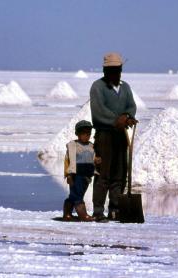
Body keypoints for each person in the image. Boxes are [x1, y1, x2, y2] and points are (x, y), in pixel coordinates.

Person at [90, 52, 138, 221]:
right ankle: (98, 211)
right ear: (104, 70)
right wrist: (116, 120)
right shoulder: (98, 87)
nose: (115, 73)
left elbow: (131, 106)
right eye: (111, 70)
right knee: (103, 173)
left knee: (119, 173)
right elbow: (98, 111)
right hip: (105, 135)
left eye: (117, 70)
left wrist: (128, 116)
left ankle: (115, 208)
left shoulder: (125, 87)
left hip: (121, 135)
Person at [63, 120, 100, 221]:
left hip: (86, 176)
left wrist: (96, 160)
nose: (86, 136)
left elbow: (93, 157)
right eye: (83, 133)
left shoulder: (91, 146)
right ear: (77, 134)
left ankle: (67, 214)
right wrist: (69, 175)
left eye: (88, 134)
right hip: (76, 175)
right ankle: (83, 214)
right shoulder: (73, 145)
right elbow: (68, 161)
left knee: (74, 195)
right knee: (78, 195)